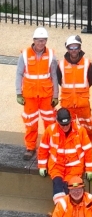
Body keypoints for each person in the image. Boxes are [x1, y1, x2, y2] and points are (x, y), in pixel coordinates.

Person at [16, 26, 59, 159]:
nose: (41, 43)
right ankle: (30, 147)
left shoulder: (51, 55)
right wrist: (18, 93)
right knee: (30, 122)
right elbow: (19, 74)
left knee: (50, 122)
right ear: (34, 40)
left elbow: (54, 76)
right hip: (30, 96)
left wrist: (56, 95)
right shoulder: (24, 55)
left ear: (46, 41)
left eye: (43, 40)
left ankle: (49, 146)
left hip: (46, 95)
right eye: (38, 40)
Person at [38, 107, 92, 196]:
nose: (65, 127)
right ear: (57, 122)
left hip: (74, 167)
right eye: (62, 125)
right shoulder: (50, 130)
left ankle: (66, 207)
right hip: (56, 166)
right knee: (58, 185)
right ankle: (60, 207)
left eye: (67, 124)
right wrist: (42, 166)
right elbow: (43, 148)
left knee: (68, 187)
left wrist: (89, 169)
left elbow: (88, 150)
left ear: (71, 120)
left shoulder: (80, 131)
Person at [57, 35, 92, 140]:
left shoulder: (87, 63)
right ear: (67, 49)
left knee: (88, 125)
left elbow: (90, 81)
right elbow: (60, 81)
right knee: (68, 127)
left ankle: (89, 143)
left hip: (82, 103)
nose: (74, 50)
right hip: (67, 103)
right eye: (71, 48)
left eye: (76, 47)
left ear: (79, 48)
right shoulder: (61, 64)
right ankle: (71, 145)